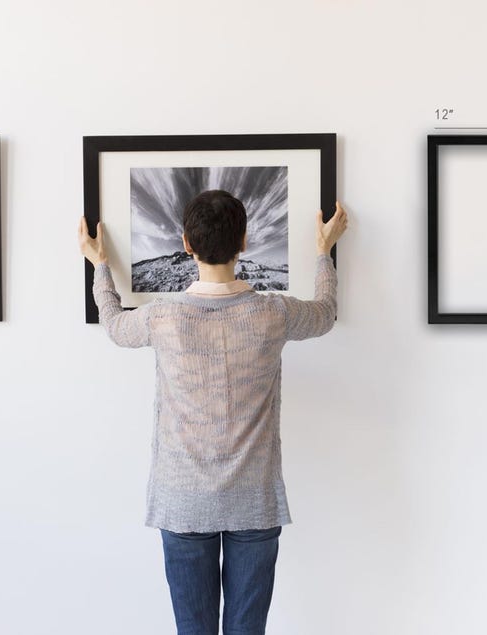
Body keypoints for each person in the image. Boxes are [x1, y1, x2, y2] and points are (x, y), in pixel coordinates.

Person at [78, 190, 348, 635]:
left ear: (186, 244)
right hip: (254, 500)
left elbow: (113, 325)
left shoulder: (161, 317)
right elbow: (326, 312)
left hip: (183, 502)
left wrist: (100, 266)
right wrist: (323, 252)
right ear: (244, 241)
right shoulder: (273, 312)